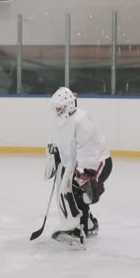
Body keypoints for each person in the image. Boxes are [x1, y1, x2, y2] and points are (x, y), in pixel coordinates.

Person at [45, 87, 112, 245]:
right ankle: (85, 224)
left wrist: (84, 173)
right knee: (65, 188)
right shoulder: (60, 118)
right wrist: (54, 150)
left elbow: (89, 151)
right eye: (56, 108)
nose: (57, 111)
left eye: (60, 107)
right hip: (75, 164)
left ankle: (80, 226)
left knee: (76, 190)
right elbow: (59, 139)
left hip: (98, 163)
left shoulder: (81, 121)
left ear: (69, 105)